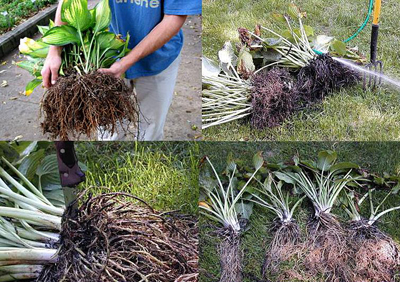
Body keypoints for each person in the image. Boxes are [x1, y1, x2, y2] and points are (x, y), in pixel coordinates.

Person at [41, 0, 202, 141]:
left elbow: (174, 17)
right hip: (109, 53)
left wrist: (126, 61)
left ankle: (147, 166)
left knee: (151, 129)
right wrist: (54, 51)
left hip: (158, 57)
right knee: (109, 129)